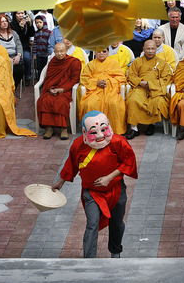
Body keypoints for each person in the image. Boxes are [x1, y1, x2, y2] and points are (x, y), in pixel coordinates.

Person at [51, 110, 138, 258]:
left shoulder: (118, 142)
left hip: (116, 190)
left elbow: (128, 161)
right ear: (84, 133)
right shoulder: (78, 145)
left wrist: (109, 177)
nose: (99, 136)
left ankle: (115, 252)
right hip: (92, 193)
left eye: (103, 130)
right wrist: (60, 182)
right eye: (94, 132)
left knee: (117, 223)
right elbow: (72, 164)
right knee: (92, 224)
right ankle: (89, 260)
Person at [125, 40, 172, 139]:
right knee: (133, 100)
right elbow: (131, 76)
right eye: (148, 48)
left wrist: (150, 84)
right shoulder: (137, 62)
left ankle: (152, 125)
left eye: (153, 48)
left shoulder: (162, 63)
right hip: (140, 88)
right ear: (143, 49)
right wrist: (140, 82)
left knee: (157, 101)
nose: (150, 51)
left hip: (155, 90)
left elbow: (166, 79)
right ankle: (134, 128)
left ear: (156, 49)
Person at [37, 42, 81, 140]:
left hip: (65, 89)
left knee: (60, 101)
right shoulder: (53, 62)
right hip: (53, 88)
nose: (59, 54)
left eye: (61, 51)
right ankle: (49, 128)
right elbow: (49, 78)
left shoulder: (74, 62)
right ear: (54, 52)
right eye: (57, 51)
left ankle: (63, 128)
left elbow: (74, 79)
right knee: (44, 100)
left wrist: (62, 89)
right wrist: (50, 88)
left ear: (66, 51)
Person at [80, 49, 127, 134]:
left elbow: (121, 78)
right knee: (90, 104)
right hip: (95, 90)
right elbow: (84, 79)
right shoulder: (90, 64)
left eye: (104, 51)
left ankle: (117, 130)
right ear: (95, 53)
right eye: (98, 51)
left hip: (110, 90)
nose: (101, 53)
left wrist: (108, 82)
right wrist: (96, 83)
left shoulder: (114, 63)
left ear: (108, 53)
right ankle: (92, 131)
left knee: (114, 103)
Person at [0, 14, 24, 90]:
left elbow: (19, 45)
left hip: (15, 58)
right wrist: (8, 60)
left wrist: (18, 56)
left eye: (6, 21)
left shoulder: (13, 33)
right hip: (3, 60)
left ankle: (13, 88)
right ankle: (6, 89)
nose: (5, 23)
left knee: (20, 70)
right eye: (2, 22)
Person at [12, 11, 35, 85]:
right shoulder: (12, 24)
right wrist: (20, 27)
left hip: (25, 47)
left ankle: (27, 77)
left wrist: (30, 24)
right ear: (15, 15)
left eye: (22, 13)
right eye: (18, 14)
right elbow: (16, 37)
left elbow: (32, 33)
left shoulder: (27, 23)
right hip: (15, 48)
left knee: (27, 58)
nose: (21, 15)